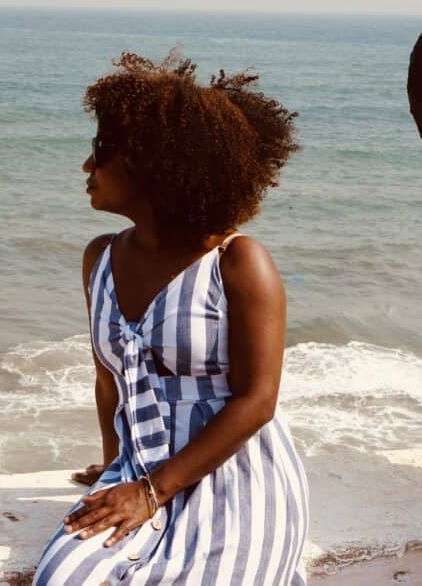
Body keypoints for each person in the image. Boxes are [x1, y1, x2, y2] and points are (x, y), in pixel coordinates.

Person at [33, 50, 308, 585]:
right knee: (61, 578)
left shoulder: (237, 262)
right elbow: (110, 384)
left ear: (151, 164)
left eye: (101, 152)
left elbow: (257, 402)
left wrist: (151, 491)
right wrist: (116, 472)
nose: (87, 166)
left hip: (237, 484)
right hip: (139, 475)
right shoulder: (100, 259)